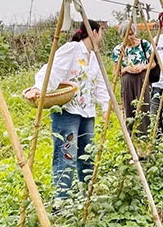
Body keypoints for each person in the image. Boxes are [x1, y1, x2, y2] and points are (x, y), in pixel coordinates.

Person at [23, 20, 109, 206]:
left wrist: (105, 106)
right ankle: (61, 201)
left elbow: (100, 82)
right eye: (101, 32)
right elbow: (52, 70)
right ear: (93, 32)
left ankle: (87, 194)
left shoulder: (94, 56)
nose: (102, 37)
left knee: (87, 154)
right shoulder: (72, 49)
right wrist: (39, 88)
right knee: (67, 155)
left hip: (87, 112)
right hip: (67, 111)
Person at [111, 21, 153, 136]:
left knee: (144, 107)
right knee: (128, 107)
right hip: (127, 82)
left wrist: (143, 66)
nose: (130, 37)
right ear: (121, 36)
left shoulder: (144, 45)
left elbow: (153, 63)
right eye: (126, 35)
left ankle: (144, 135)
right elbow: (115, 72)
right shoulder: (118, 50)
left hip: (142, 80)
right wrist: (126, 69)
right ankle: (131, 136)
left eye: (131, 34)